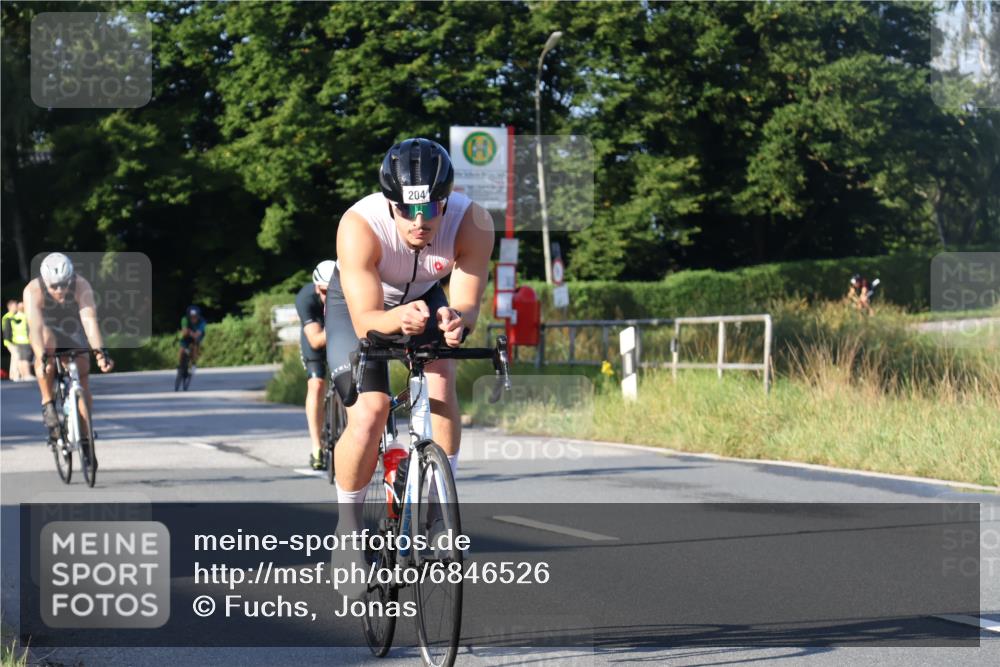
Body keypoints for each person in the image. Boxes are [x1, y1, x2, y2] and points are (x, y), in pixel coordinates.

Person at [325, 138, 494, 572]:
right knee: (371, 411)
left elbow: (468, 303)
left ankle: (438, 516)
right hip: (362, 305)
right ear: (389, 203)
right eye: (406, 210)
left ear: (447, 200)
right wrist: (396, 318)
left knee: (441, 380)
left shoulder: (473, 220)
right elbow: (365, 321)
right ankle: (347, 532)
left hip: (424, 297)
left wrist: (459, 320)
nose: (420, 222)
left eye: (432, 209)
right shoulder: (359, 225)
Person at [22, 253, 114, 446]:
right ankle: (48, 403)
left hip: (72, 328)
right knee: (46, 345)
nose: (60, 290)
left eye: (64, 283)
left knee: (82, 374)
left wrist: (100, 353)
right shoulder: (33, 290)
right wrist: (42, 356)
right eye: (54, 286)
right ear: (45, 281)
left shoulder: (81, 285)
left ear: (71, 278)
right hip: (46, 329)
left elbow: (89, 322)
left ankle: (85, 433)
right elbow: (36, 328)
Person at [298, 259, 336, 470]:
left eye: (332, 292)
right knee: (317, 384)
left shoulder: (349, 293)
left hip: (338, 334)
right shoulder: (306, 299)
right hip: (317, 335)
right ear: (316, 287)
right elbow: (315, 340)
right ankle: (317, 448)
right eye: (323, 291)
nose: (327, 297)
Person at [179, 305, 206, 370]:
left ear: (198, 316)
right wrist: (187, 332)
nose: (193, 318)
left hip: (197, 335)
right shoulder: (184, 319)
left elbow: (198, 333)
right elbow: (184, 330)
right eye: (191, 317)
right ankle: (181, 364)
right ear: (188, 316)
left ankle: (194, 362)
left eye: (195, 317)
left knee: (195, 343)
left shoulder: (202, 321)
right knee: (182, 348)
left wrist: (191, 333)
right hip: (187, 335)